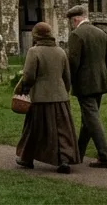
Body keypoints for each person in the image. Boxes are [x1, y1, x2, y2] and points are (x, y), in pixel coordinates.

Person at [13, 21, 79, 173]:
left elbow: (29, 76)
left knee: (34, 129)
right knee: (63, 131)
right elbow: (67, 76)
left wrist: (25, 88)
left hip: (41, 97)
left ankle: (26, 158)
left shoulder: (34, 51)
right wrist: (65, 91)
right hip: (61, 97)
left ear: (36, 35)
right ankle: (64, 160)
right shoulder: (61, 52)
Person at [65, 5, 107, 168]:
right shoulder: (101, 33)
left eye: (71, 21)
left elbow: (72, 62)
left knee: (92, 119)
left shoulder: (76, 35)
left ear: (76, 19)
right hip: (100, 81)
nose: (71, 25)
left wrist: (68, 81)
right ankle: (78, 153)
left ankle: (105, 156)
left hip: (85, 84)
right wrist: (101, 73)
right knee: (88, 120)